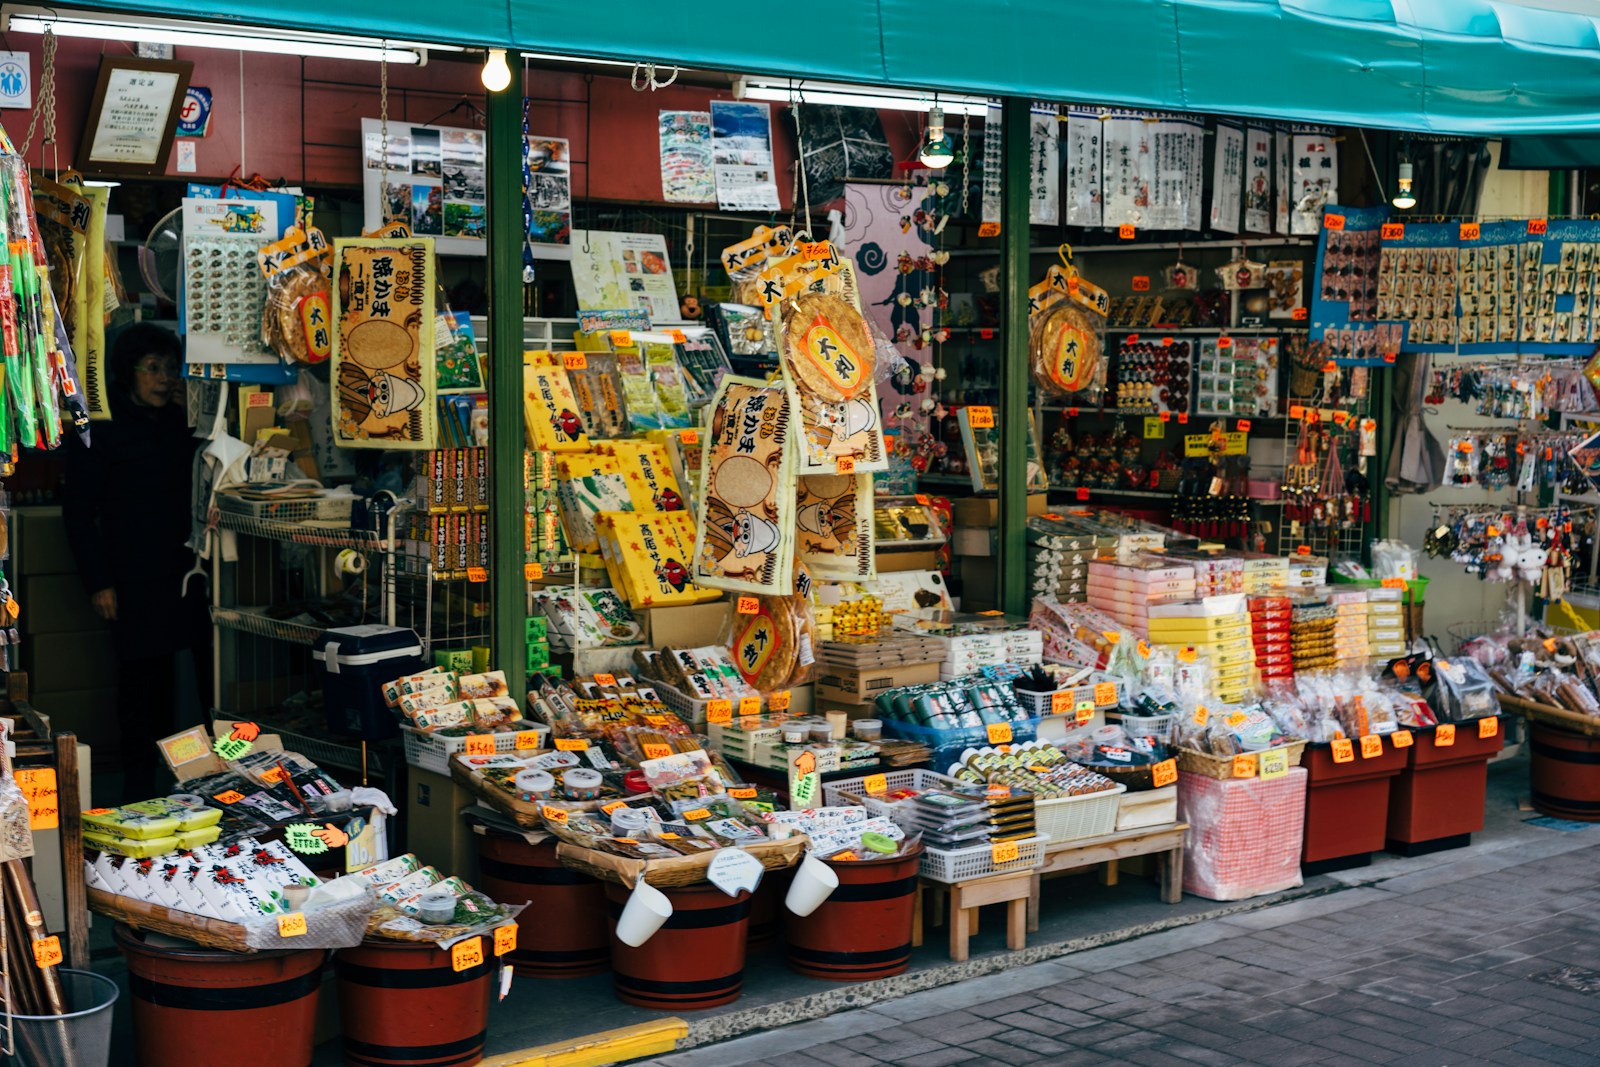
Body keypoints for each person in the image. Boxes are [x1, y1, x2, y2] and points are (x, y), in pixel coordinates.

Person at [62, 324, 209, 798]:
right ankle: (139, 793)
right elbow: (78, 514)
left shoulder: (180, 424)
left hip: (188, 575)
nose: (164, 379)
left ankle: (201, 785)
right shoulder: (100, 430)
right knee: (142, 691)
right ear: (128, 374)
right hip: (131, 580)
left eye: (170, 369)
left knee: (202, 681)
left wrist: (196, 421)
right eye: (153, 368)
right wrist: (98, 582)